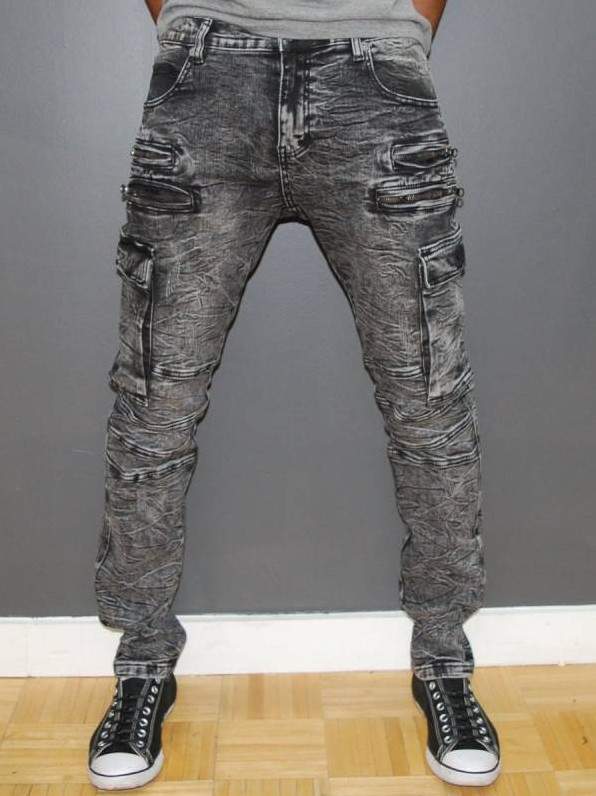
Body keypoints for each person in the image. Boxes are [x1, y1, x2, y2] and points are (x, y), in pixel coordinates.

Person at [88, 0, 501, 789]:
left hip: (376, 82)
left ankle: (444, 659)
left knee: (429, 401)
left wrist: (400, 34)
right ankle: (142, 664)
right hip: (206, 79)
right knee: (154, 406)